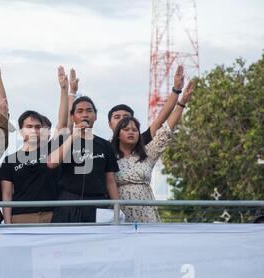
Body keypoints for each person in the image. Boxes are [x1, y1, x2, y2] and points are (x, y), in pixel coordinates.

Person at [113, 80, 195, 223]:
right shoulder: (109, 153)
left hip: (146, 212)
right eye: (126, 130)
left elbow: (166, 130)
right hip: (120, 214)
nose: (131, 132)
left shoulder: (146, 153)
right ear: (118, 134)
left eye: (134, 130)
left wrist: (182, 103)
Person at [0, 66, 69, 224]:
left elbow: (62, 124)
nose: (34, 130)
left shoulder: (51, 149)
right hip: (21, 217)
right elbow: (7, 194)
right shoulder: (10, 160)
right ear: (21, 130)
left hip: (52, 215)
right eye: (29, 127)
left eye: (38, 127)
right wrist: (8, 223)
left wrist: (64, 90)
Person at [48, 95, 120, 223]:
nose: (85, 115)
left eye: (89, 111)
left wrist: (117, 207)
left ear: (96, 116)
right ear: (73, 117)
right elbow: (51, 164)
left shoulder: (105, 145)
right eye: (80, 111)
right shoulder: (63, 140)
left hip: (98, 204)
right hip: (69, 203)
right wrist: (72, 137)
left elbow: (110, 181)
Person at [108, 66, 185, 145]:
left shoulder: (141, 143)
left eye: (126, 117)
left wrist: (176, 89)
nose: (122, 120)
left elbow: (160, 119)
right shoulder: (103, 148)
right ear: (110, 124)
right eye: (117, 117)